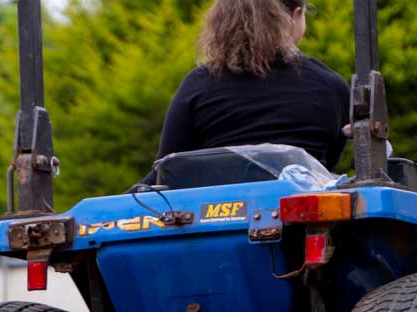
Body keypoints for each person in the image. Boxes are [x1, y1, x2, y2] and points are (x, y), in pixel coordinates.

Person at [147, 0, 351, 179]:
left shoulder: (197, 85)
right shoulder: (331, 85)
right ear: (296, 15)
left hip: (222, 218)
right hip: (307, 219)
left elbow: (166, 171)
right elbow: (326, 164)